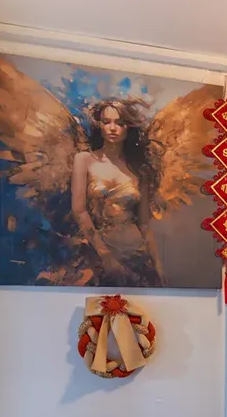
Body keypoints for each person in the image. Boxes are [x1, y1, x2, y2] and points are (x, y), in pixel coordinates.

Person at [70, 99, 164, 286]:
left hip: (137, 253)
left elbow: (144, 223)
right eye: (106, 122)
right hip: (98, 251)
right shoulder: (84, 159)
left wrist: (158, 264)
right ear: (99, 125)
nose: (112, 128)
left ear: (129, 127)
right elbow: (79, 211)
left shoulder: (139, 169)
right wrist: (105, 256)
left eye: (120, 123)